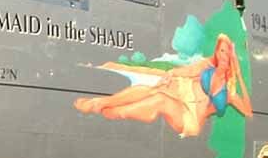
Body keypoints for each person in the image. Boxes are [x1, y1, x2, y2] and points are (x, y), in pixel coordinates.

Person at [74, 34, 251, 137]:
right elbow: (187, 71)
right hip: (182, 98)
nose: (223, 56)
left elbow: (248, 111)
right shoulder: (206, 66)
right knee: (152, 88)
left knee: (160, 99)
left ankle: (114, 110)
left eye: (228, 53)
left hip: (191, 118)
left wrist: (240, 77)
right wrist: (170, 74)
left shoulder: (230, 89)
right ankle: (104, 103)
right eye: (221, 51)